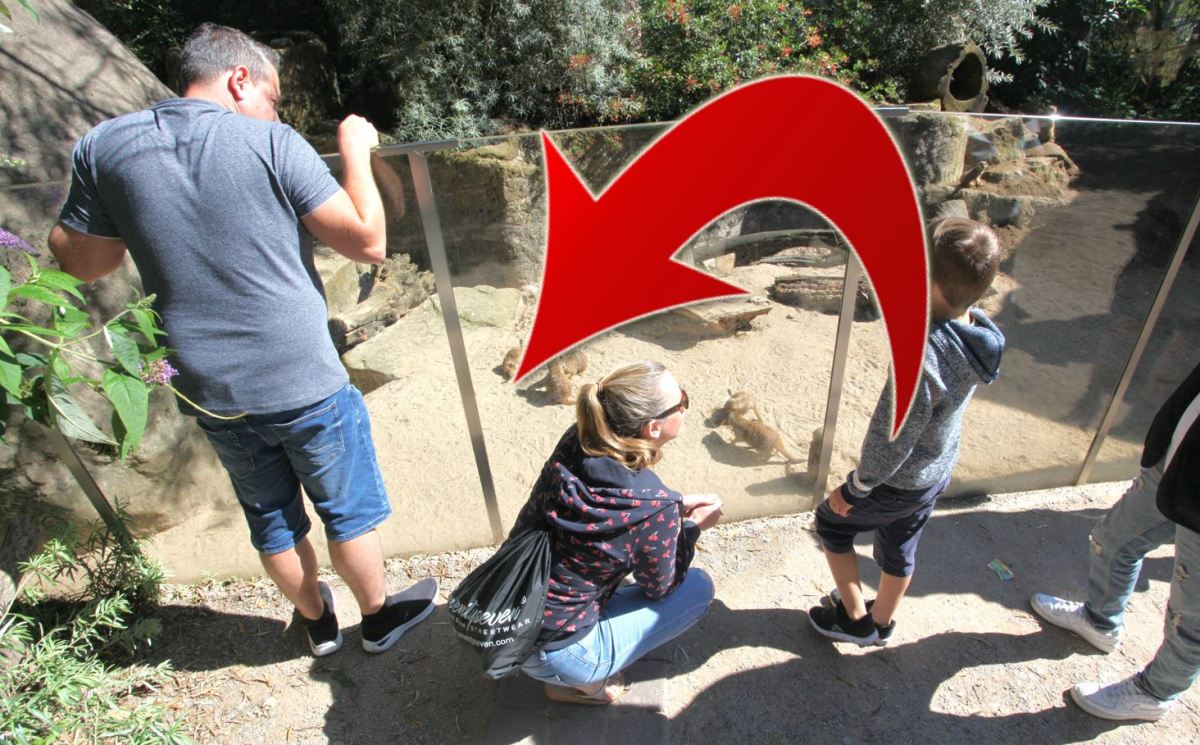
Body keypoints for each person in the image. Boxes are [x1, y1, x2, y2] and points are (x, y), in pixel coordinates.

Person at [47, 23, 435, 658]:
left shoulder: (104, 147)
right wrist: (354, 148)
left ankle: (318, 625)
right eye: (274, 97)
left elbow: (84, 263)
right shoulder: (272, 143)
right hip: (303, 377)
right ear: (238, 80)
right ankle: (378, 618)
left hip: (209, 388)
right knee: (348, 511)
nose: (275, 111)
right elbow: (367, 241)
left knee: (272, 519)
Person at [808, 217, 1006, 646]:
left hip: (896, 480)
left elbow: (893, 437)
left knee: (831, 524)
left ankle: (856, 621)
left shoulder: (921, 358)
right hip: (934, 471)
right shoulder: (976, 329)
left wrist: (857, 487)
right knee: (901, 546)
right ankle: (884, 621)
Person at [512, 360, 721, 704]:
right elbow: (660, 587)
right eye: (681, 402)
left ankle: (571, 671)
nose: (685, 407)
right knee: (698, 587)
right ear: (654, 428)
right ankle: (586, 688)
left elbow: (615, 505)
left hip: (511, 606)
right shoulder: (653, 507)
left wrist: (673, 505)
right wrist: (692, 528)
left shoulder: (579, 437)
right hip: (554, 654)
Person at [1030, 361, 1200, 722]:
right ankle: (1099, 621)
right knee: (1112, 539)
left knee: (1190, 614)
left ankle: (1155, 693)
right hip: (1177, 464)